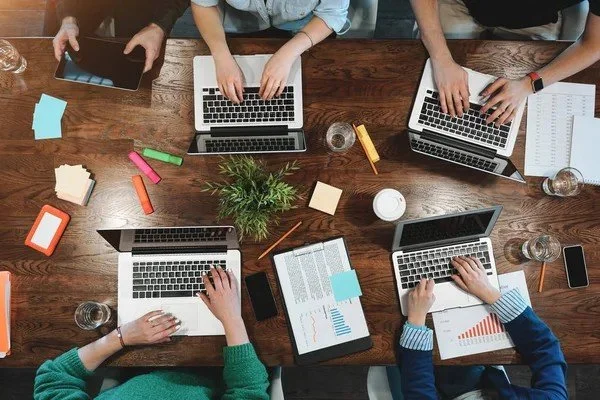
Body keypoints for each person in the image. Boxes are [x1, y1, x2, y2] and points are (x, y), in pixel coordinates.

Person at [34, 266, 270, 400]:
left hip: (130, 368)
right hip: (213, 374)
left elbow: (54, 378)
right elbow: (248, 391)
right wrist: (231, 317)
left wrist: (121, 336)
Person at [395, 256, 567, 399]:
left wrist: (416, 320)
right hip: (493, 384)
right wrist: (489, 292)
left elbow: (418, 392)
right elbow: (546, 348)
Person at [409, 0, 600, 126]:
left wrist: (529, 83)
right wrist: (441, 57)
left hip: (532, 22)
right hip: (461, 4)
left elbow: (594, 45)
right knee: (427, 77)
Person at [190, 0, 350, 103]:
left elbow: (332, 13)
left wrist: (287, 55)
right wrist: (221, 56)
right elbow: (204, 4)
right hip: (241, 25)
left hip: (304, 28)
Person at [53, 0, 189, 72]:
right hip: (85, 9)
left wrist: (159, 26)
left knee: (136, 66)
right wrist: (68, 17)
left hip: (142, 9)